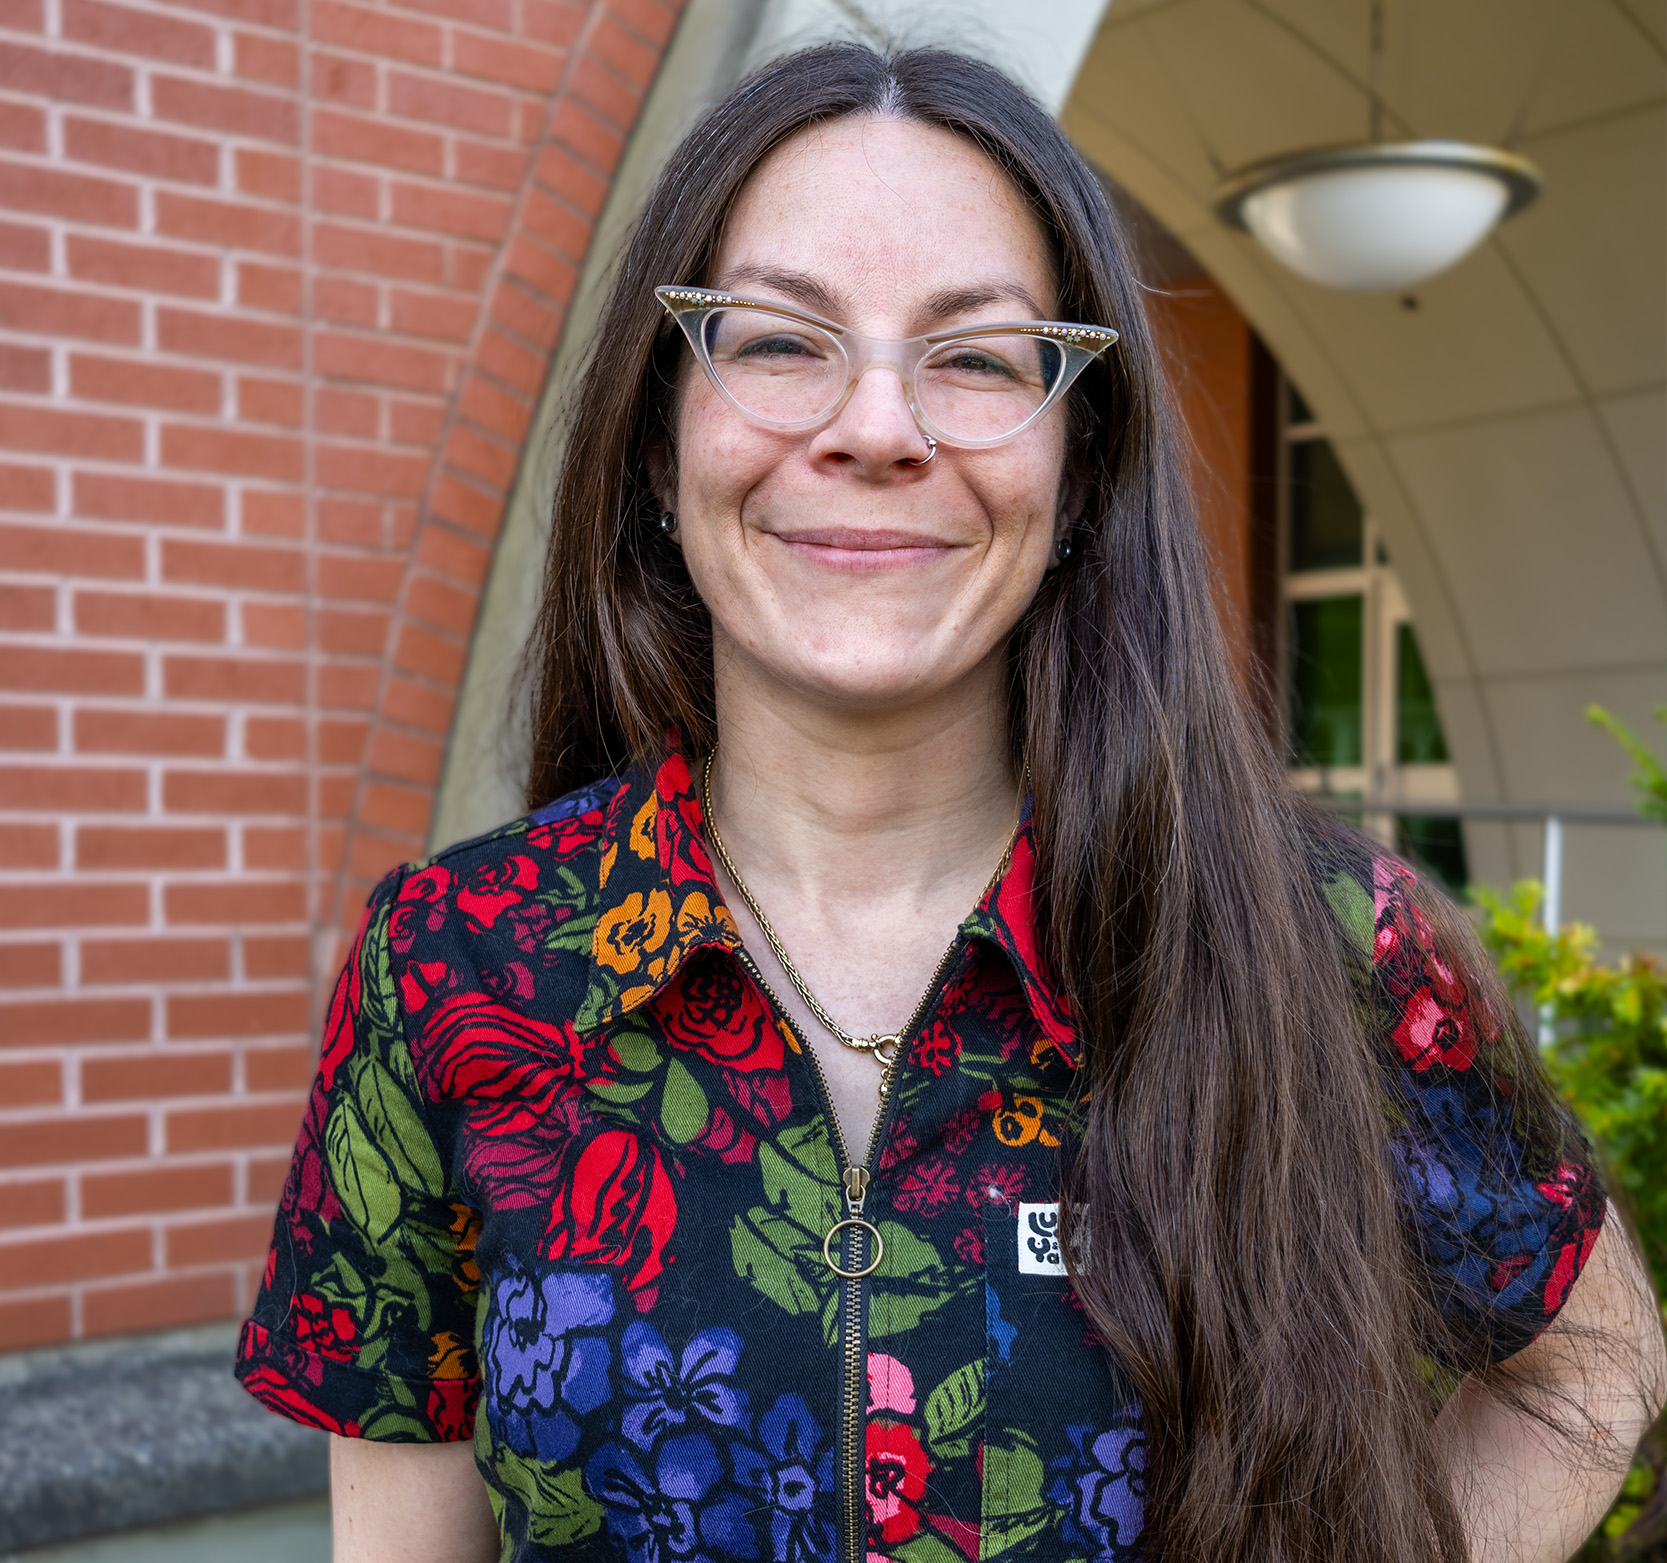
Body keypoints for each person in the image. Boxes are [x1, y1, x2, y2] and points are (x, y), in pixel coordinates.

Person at [236, 44, 1665, 1563]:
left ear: (1079, 458)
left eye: (978, 358)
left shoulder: (1315, 945)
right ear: (663, 438)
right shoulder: (455, 966)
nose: (877, 424)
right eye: (779, 342)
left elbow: (1598, 1369)